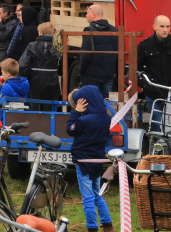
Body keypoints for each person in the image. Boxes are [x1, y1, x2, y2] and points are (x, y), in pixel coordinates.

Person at [67, 86, 114, 232]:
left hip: (83, 161)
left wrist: (75, 112)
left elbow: (70, 129)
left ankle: (92, 227)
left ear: (84, 102)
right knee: (97, 195)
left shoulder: (84, 120)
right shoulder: (106, 118)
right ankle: (107, 225)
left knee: (87, 198)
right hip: (97, 160)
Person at [138, 15, 171, 136]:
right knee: (156, 127)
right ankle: (158, 151)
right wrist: (145, 85)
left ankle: (170, 152)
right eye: (162, 26)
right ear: (154, 26)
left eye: (168, 26)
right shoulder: (145, 45)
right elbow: (137, 68)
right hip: (154, 93)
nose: (165, 29)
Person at [80, 4, 118, 97]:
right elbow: (118, 53)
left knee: (91, 101)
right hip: (108, 74)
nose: (86, 15)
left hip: (92, 74)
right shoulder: (114, 30)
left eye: (87, 13)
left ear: (93, 14)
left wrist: (82, 71)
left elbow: (85, 55)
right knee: (106, 102)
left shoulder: (89, 30)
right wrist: (114, 71)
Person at [19, 22, 62, 105]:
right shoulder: (58, 47)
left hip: (35, 82)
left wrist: (27, 77)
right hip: (52, 84)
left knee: (34, 110)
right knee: (50, 110)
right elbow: (62, 65)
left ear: (41, 33)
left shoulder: (32, 46)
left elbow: (23, 65)